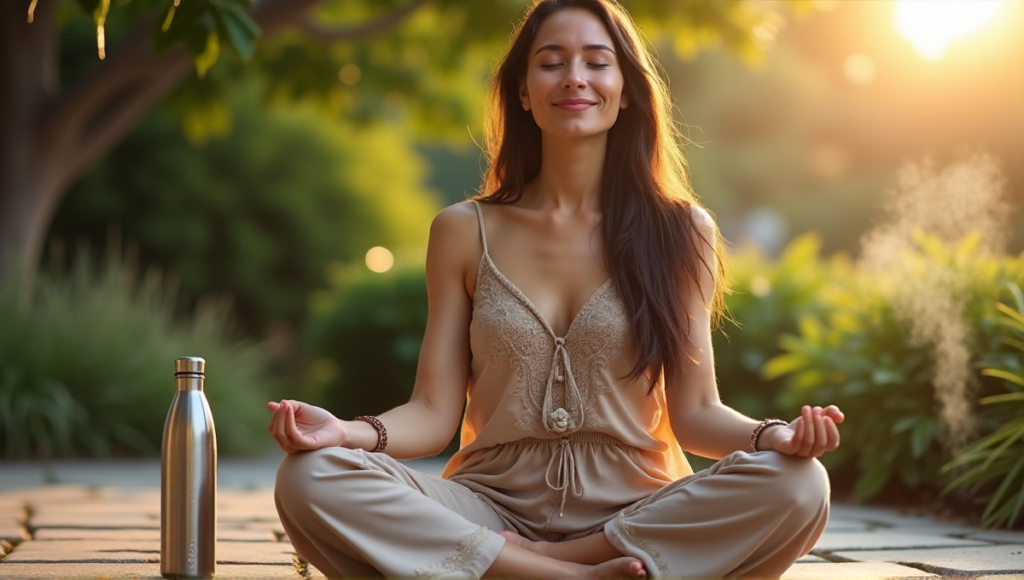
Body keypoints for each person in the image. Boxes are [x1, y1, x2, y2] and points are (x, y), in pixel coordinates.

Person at [269, 0, 845, 578]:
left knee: (798, 483)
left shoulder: (682, 231)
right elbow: (433, 412)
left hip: (635, 511)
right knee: (309, 475)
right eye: (552, 62)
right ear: (523, 91)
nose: (574, 77)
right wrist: (344, 433)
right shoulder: (463, 229)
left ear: (625, 91)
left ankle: (533, 567)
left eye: (597, 62)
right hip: (487, 507)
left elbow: (695, 415)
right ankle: (572, 578)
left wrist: (776, 436)